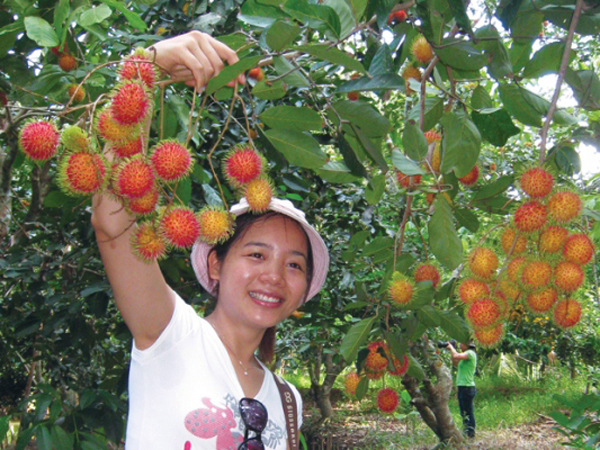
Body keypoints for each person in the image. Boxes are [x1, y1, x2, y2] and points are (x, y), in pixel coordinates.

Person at [91, 31, 330, 450]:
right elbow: (112, 223)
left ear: (304, 289)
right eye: (257, 254)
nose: (274, 275)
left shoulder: (288, 400)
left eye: (295, 264)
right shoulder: (169, 334)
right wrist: (149, 66)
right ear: (216, 264)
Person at [447, 340, 477, 438]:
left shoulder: (470, 353)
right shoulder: (465, 355)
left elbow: (456, 356)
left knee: (468, 411)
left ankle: (470, 432)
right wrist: (452, 349)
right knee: (463, 412)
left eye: (461, 342)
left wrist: (451, 347)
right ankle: (466, 431)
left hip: (467, 387)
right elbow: (455, 362)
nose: (460, 344)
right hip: (462, 386)